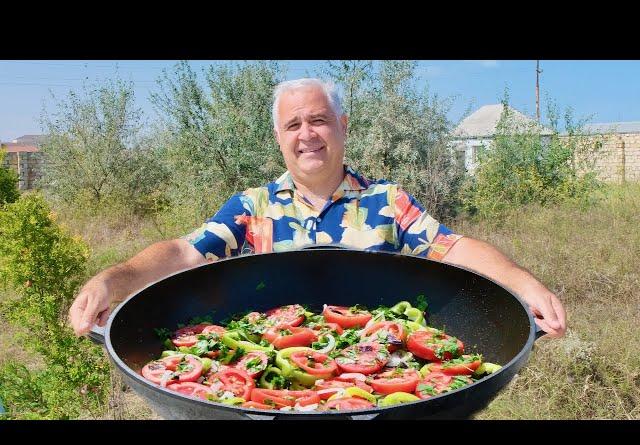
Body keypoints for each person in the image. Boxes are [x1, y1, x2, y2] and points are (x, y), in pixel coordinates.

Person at [69, 78, 566, 338]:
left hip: (377, 380)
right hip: (273, 387)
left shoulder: (386, 202)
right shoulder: (252, 207)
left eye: (319, 121)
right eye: (293, 125)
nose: (307, 135)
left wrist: (526, 284)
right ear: (279, 137)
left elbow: (452, 248)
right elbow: (182, 253)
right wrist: (111, 281)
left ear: (342, 126)